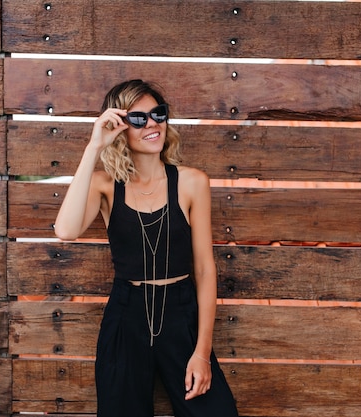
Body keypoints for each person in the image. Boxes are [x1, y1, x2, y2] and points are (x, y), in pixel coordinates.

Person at [54, 79, 239, 417]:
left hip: (181, 315)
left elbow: (204, 269)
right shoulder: (105, 185)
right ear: (120, 127)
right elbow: (65, 230)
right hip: (127, 318)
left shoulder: (192, 182)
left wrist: (201, 352)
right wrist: (93, 147)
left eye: (158, 114)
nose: (152, 124)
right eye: (138, 119)